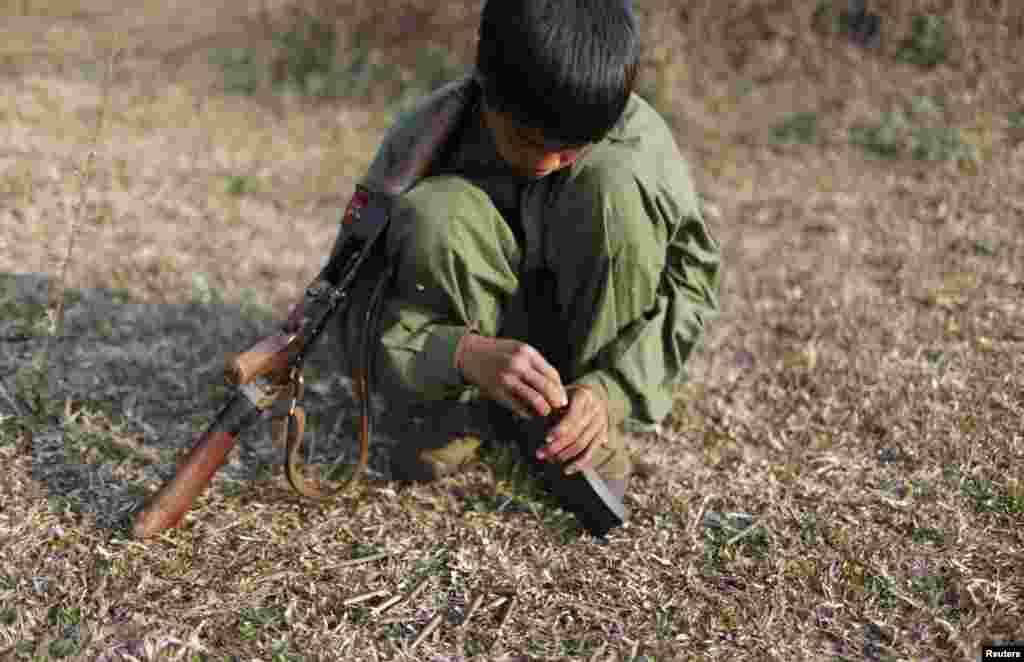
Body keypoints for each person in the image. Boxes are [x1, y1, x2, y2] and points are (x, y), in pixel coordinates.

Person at [326, 0, 720, 503]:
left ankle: (581, 424)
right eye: (531, 140)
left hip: (585, 355)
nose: (554, 160)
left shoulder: (636, 138)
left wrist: (612, 391)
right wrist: (457, 354)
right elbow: (349, 303)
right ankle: (461, 411)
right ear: (487, 87)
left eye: (576, 147)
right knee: (438, 211)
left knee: (616, 190)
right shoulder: (422, 138)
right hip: (469, 362)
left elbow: (691, 284)